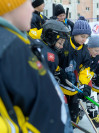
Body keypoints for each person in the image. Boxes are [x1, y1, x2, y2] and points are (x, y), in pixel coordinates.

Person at [0, 0, 70, 132]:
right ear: (11, 7)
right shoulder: (11, 48)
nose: (32, 9)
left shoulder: (18, 41)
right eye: (27, 3)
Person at [57, 16, 92, 123]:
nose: (84, 40)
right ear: (74, 34)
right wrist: (58, 71)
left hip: (73, 87)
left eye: (86, 37)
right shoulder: (65, 44)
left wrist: (85, 85)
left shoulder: (85, 51)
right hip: (59, 85)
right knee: (61, 115)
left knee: (73, 119)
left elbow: (84, 70)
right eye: (82, 36)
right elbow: (55, 60)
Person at [82, 35, 99, 132]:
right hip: (80, 77)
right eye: (96, 50)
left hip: (88, 77)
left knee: (89, 94)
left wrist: (93, 77)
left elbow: (93, 68)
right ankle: (81, 111)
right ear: (89, 48)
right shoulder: (84, 53)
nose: (98, 53)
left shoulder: (97, 56)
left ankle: (94, 116)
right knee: (83, 95)